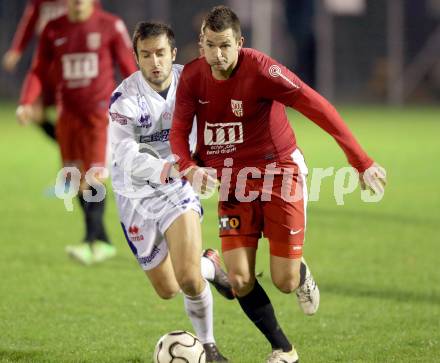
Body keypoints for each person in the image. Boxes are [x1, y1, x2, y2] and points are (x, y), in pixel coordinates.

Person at [170, 5, 387, 363]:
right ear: (201, 43)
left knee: (284, 280)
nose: (218, 54)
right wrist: (189, 166)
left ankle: (299, 272)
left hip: (279, 175)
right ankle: (284, 350)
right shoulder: (193, 78)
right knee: (239, 280)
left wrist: (360, 161)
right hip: (233, 184)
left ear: (240, 42)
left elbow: (315, 104)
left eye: (225, 45)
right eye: (210, 45)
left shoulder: (261, 69)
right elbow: (179, 132)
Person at [109, 21, 231, 362]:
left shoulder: (195, 80)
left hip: (179, 186)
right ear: (135, 58)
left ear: (173, 53)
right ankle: (211, 264)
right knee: (168, 289)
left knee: (189, 280)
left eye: (161, 53)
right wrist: (165, 168)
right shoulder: (124, 100)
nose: (155, 62)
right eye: (146, 55)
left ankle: (209, 346)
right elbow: (124, 155)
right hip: (135, 195)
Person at [17, 0, 137, 265]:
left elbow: (129, 66)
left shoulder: (110, 26)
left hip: (99, 115)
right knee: (76, 180)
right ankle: (102, 241)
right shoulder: (53, 28)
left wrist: (143, 100)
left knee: (94, 176)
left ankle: (90, 242)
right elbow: (38, 69)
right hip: (67, 116)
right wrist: (27, 101)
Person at [3, 0, 98, 139]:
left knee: (77, 112)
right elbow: (29, 22)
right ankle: (66, 143)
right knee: (35, 111)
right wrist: (16, 49)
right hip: (49, 64)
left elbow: (98, 23)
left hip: (74, 65)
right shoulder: (41, 5)